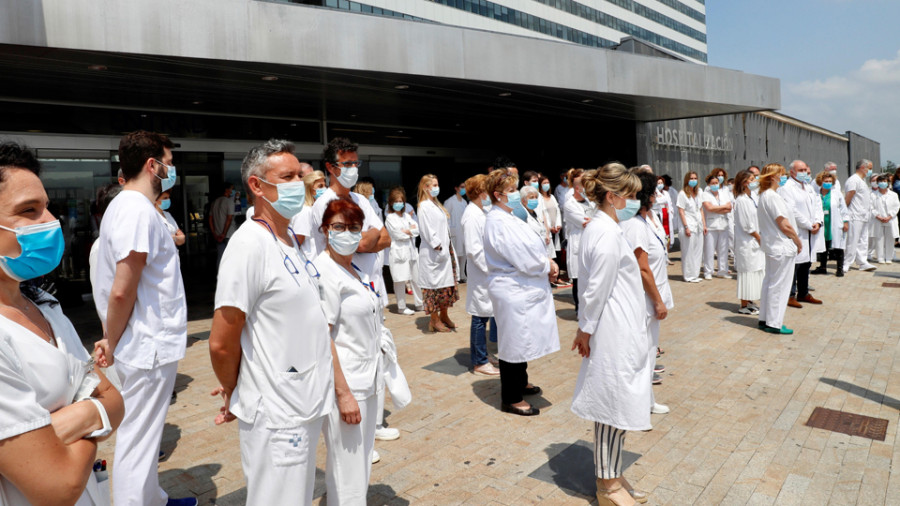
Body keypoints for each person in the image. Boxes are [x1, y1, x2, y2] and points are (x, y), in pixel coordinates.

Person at [208, 140, 334, 505]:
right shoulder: (248, 245)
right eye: (288, 176)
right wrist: (234, 388)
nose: (300, 182)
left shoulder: (290, 238)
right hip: (277, 409)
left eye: (301, 174)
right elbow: (221, 340)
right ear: (257, 185)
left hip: (303, 399)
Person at [0, 142, 124, 505]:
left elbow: (115, 399)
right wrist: (94, 415)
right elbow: (58, 487)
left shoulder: (45, 307)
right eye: (28, 210)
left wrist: (59, 431)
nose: (50, 221)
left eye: (47, 207)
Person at [92, 131, 196, 506]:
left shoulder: (130, 207)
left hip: (148, 340)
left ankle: (154, 498)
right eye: (168, 162)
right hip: (147, 342)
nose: (172, 170)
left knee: (147, 434)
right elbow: (123, 287)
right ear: (152, 165)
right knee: (139, 437)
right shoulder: (136, 209)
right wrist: (112, 340)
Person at [570, 163, 651, 506]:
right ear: (612, 196)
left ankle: (613, 475)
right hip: (611, 327)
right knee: (611, 408)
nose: (634, 201)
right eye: (630, 196)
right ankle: (608, 488)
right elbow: (595, 290)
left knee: (621, 404)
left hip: (623, 324)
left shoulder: (609, 228)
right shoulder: (603, 232)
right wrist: (585, 330)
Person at [314, 199, 385, 505]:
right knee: (348, 466)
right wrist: (343, 393)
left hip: (368, 379)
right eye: (339, 227)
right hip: (347, 383)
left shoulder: (352, 268)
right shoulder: (323, 272)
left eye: (354, 227)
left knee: (360, 461)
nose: (347, 233)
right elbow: (321, 336)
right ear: (325, 230)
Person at [483, 169, 560, 416]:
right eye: (512, 191)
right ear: (498, 195)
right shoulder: (498, 221)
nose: (517, 194)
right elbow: (523, 257)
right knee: (514, 342)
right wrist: (547, 265)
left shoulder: (509, 216)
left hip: (522, 287)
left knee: (523, 338)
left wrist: (546, 261)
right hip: (513, 289)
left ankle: (521, 382)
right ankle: (511, 397)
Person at [301, 137, 391, 308]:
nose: (353, 169)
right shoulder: (326, 203)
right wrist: (372, 233)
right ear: (330, 167)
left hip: (373, 286)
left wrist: (363, 240)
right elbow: (359, 244)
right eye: (347, 164)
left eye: (355, 164)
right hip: (346, 292)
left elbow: (386, 238)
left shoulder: (361, 200)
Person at [620, 169, 673, 416]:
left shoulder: (644, 221)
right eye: (653, 193)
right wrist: (658, 302)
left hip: (652, 296)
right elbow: (643, 269)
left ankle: (647, 400)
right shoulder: (634, 225)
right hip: (645, 299)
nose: (656, 197)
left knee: (649, 353)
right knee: (643, 353)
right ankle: (641, 403)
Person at [460, 174, 501, 376]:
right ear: (480, 192)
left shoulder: (480, 211)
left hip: (487, 272)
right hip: (482, 272)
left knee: (484, 314)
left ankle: (483, 355)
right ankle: (479, 362)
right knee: (479, 317)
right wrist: (491, 269)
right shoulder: (471, 215)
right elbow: (473, 250)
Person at [756, 164, 802, 335]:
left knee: (770, 282)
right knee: (780, 286)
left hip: (772, 246)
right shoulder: (772, 197)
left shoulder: (764, 196)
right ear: (773, 176)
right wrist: (797, 240)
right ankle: (774, 322)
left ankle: (765, 318)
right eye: (781, 174)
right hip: (781, 246)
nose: (783, 177)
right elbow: (784, 224)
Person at [778, 160, 824, 308]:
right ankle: (790, 295)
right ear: (792, 172)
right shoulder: (787, 188)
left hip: (811, 231)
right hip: (799, 230)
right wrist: (808, 224)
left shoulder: (809, 187)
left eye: (806, 170)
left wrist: (818, 221)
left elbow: (818, 205)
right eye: (801, 170)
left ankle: (803, 292)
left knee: (806, 263)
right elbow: (791, 211)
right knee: (795, 264)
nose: (804, 172)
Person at [417, 174, 459, 333]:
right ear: (425, 187)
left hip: (445, 251)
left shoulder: (437, 205)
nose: (436, 188)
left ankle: (444, 315)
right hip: (435, 252)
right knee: (433, 288)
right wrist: (438, 247)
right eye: (433, 185)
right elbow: (427, 231)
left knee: (446, 288)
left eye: (437, 185)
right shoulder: (424, 206)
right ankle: (434, 320)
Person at [384, 187, 423, 314]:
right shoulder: (390, 218)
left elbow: (417, 229)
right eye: (396, 201)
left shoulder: (407, 215)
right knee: (400, 280)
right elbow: (397, 234)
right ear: (391, 203)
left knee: (416, 279)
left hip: (411, 251)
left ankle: (419, 303)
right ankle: (401, 307)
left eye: (401, 201)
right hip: (399, 251)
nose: (399, 203)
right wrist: (409, 231)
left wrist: (408, 231)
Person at [732, 170, 764, 314]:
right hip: (748, 242)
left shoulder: (753, 197)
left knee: (755, 271)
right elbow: (747, 225)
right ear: (745, 183)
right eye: (752, 179)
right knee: (747, 273)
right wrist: (758, 237)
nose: (755, 181)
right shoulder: (741, 200)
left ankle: (750, 301)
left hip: (755, 242)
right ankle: (743, 304)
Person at [562, 168, 593, 312]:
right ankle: (579, 310)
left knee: (590, 279)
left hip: (591, 242)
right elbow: (585, 222)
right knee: (578, 280)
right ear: (577, 187)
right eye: (584, 184)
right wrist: (596, 220)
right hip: (578, 243)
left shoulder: (589, 202)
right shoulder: (569, 204)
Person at [811, 170, 849, 276]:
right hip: (822, 223)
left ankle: (839, 269)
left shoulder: (837, 194)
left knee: (838, 246)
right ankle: (823, 267)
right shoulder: (815, 194)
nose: (828, 183)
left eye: (830, 181)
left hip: (835, 223)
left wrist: (846, 222)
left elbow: (843, 208)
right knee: (823, 246)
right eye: (826, 181)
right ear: (820, 182)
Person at [843, 159, 877, 272]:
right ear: (863, 167)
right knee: (853, 240)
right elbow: (849, 196)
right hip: (855, 215)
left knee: (863, 240)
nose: (870, 171)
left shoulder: (862, 181)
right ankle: (846, 262)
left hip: (864, 215)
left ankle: (862, 262)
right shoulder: (853, 180)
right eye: (870, 168)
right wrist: (843, 214)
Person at [701, 173, 732, 279]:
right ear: (708, 185)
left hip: (723, 225)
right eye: (712, 183)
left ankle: (722, 271)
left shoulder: (724, 193)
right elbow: (709, 208)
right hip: (711, 225)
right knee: (709, 249)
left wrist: (716, 208)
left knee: (723, 249)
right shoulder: (705, 194)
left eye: (716, 183)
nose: (715, 184)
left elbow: (729, 207)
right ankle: (708, 271)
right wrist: (722, 208)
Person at [293, 169, 327, 261]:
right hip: (311, 263)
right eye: (320, 186)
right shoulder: (305, 211)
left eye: (325, 186)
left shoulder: (317, 210)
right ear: (310, 190)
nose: (324, 189)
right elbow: (296, 243)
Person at [677, 171, 705, 283]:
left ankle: (695, 274)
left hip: (698, 226)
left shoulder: (698, 193)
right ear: (687, 180)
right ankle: (688, 275)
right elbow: (681, 211)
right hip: (689, 226)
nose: (693, 180)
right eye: (691, 178)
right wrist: (686, 227)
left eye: (695, 178)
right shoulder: (682, 194)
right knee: (688, 252)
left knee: (698, 251)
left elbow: (701, 209)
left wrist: (704, 224)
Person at [872, 175, 900, 263]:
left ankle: (889, 257)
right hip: (878, 219)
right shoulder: (873, 195)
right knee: (879, 238)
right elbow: (871, 207)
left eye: (884, 181)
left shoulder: (893, 195)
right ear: (877, 183)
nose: (883, 183)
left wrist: (890, 216)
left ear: (888, 183)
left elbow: (897, 206)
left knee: (890, 238)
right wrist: (878, 216)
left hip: (890, 219)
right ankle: (880, 257)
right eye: (881, 181)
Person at [444, 182, 468, 282]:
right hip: (454, 231)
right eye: (462, 187)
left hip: (463, 231)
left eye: (465, 187)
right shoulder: (450, 201)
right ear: (456, 188)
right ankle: (455, 276)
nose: (464, 189)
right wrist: (450, 229)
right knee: (455, 254)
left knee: (464, 254)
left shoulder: (464, 202)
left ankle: (462, 274)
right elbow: (446, 216)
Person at [210, 182, 236, 268]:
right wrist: (224, 233)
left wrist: (214, 233)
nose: (233, 191)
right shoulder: (229, 202)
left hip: (217, 235)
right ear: (227, 190)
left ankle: (220, 278)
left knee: (220, 257)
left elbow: (210, 219)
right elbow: (229, 219)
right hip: (228, 234)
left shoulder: (214, 202)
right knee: (231, 257)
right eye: (232, 189)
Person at [539, 174, 563, 261]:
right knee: (549, 254)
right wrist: (549, 228)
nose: (546, 185)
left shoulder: (552, 197)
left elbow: (558, 211)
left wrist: (558, 225)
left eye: (548, 183)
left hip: (556, 229)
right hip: (547, 230)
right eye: (544, 183)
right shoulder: (539, 198)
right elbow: (542, 215)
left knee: (557, 253)